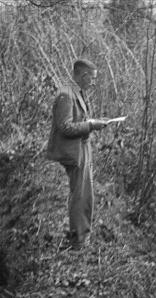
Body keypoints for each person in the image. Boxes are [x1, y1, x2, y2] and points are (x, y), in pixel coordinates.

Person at [46, 59, 107, 250]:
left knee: (85, 194)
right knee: (80, 195)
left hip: (81, 148)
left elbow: (76, 120)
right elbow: (64, 127)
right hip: (74, 152)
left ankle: (80, 236)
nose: (93, 82)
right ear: (83, 75)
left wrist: (92, 122)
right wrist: (90, 125)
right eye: (92, 78)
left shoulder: (75, 92)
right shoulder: (66, 95)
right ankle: (78, 240)